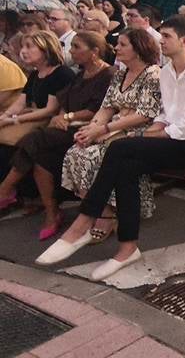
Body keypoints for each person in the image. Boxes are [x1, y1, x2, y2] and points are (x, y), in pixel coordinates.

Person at [36, 17, 185, 281]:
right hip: (169, 138)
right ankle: (127, 248)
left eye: (166, 36)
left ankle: (84, 221)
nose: (160, 41)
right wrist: (145, 131)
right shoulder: (168, 71)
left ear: (184, 41)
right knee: (126, 167)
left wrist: (140, 134)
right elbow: (164, 115)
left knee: (121, 147)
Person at [0, 32, 113, 239]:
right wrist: (62, 116)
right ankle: (51, 213)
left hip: (88, 128)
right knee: (40, 160)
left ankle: (5, 189)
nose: (71, 51)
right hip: (66, 127)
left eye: (76, 47)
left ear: (94, 51)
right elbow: (63, 103)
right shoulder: (80, 74)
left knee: (33, 139)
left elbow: (96, 109)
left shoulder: (107, 74)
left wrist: (66, 116)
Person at [62, 29, 162, 240]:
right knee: (75, 151)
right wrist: (91, 129)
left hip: (141, 130)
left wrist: (104, 129)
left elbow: (145, 114)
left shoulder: (152, 73)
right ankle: (105, 212)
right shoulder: (120, 73)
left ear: (138, 48)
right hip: (114, 127)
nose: (116, 48)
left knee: (95, 156)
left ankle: (105, 214)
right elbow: (106, 107)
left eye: (123, 44)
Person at [0, 32, 75, 150]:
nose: (23, 51)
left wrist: (13, 120)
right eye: (23, 46)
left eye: (29, 46)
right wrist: (4, 117)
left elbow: (50, 110)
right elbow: (20, 103)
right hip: (32, 115)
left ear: (46, 49)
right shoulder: (35, 74)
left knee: (6, 137)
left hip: (49, 122)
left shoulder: (61, 73)